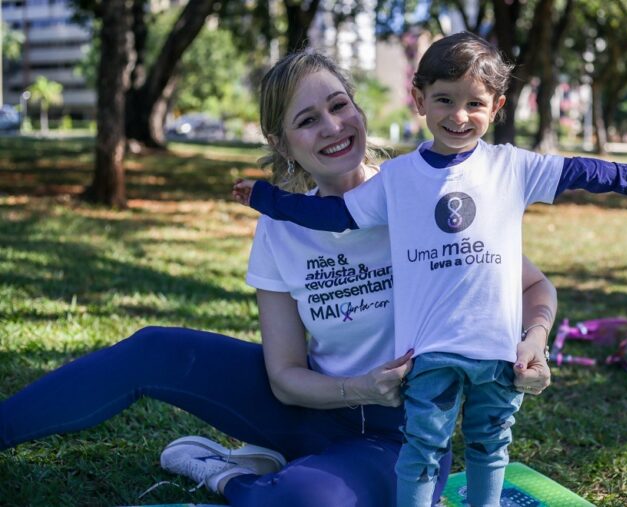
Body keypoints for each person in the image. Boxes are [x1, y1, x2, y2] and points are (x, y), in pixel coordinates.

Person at [0, 49, 556, 507]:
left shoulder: (424, 197)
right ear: (281, 142)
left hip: (401, 440)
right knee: (154, 348)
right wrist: (358, 387)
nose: (333, 127)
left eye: (340, 106)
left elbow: (536, 288)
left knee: (294, 502)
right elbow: (286, 374)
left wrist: (532, 341)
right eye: (307, 120)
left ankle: (225, 473)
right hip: (312, 405)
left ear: (360, 111)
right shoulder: (280, 229)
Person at [234, 32, 627, 507]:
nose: (458, 116)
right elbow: (334, 217)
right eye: (444, 100)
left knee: (491, 443)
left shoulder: (510, 167)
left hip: (494, 354)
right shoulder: (398, 182)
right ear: (418, 100)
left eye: (474, 103)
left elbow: (585, 173)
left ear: (497, 108)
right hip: (427, 358)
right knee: (423, 448)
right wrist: (266, 199)